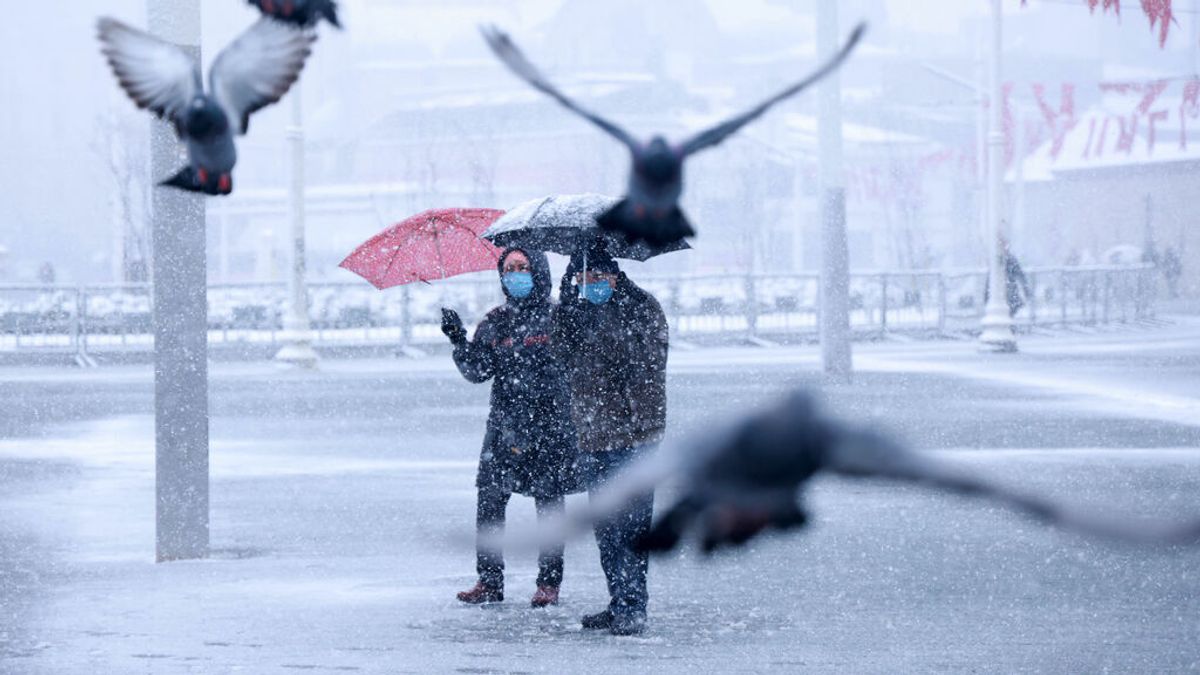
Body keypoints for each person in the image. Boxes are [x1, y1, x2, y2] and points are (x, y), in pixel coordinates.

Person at [441, 247, 578, 608]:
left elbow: (578, 363)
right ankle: (489, 581)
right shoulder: (495, 321)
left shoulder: (559, 316)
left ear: (539, 272)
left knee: (549, 506)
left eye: (523, 267)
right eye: (509, 268)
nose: (515, 274)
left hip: (550, 425)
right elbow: (477, 371)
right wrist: (459, 340)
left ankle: (549, 583)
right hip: (505, 426)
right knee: (489, 500)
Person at [556, 242, 668, 636]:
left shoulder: (642, 307)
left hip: (636, 435)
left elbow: (643, 362)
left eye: (599, 276)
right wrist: (568, 306)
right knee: (606, 529)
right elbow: (563, 359)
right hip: (593, 436)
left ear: (616, 275)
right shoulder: (579, 311)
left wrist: (601, 323)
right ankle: (618, 599)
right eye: (584, 278)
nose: (592, 284)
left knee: (633, 526)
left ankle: (634, 607)